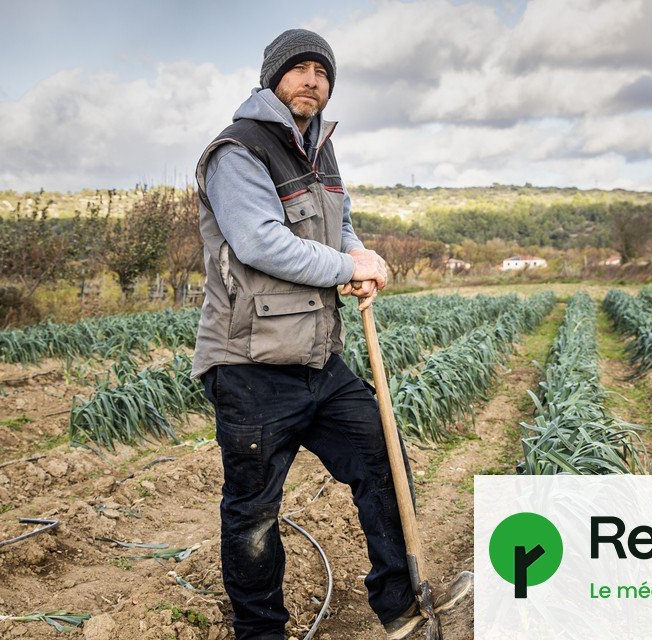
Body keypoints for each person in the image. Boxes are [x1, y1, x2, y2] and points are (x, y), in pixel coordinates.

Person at [191, 28, 471, 640]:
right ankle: (260, 633)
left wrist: (359, 253)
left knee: (383, 460)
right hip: (249, 364)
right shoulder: (239, 150)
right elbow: (262, 243)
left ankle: (399, 603)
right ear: (273, 77)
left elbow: (339, 223)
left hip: (319, 360)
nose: (312, 80)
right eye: (299, 69)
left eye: (322, 71)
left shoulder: (320, 148)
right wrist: (349, 267)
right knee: (254, 516)